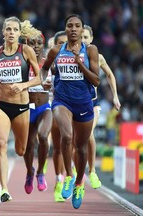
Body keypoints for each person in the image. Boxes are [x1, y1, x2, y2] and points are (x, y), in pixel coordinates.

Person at [0, 16, 41, 202]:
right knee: (1, 144)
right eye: (8, 29)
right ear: (3, 32)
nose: (11, 33)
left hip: (21, 106)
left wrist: (24, 85)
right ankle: (4, 189)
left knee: (21, 150)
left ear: (20, 33)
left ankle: (30, 170)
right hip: (0, 104)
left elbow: (39, 78)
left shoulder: (25, 51)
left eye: (14, 30)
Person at [40, 14, 100, 209]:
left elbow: (96, 80)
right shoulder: (56, 50)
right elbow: (45, 69)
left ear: (82, 30)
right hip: (61, 100)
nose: (73, 29)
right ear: (65, 29)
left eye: (77, 26)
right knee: (67, 137)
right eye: (69, 26)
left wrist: (80, 64)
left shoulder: (90, 50)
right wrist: (45, 81)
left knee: (81, 148)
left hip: (83, 103)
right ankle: (68, 176)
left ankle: (79, 183)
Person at [80, 24, 121, 189]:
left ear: (92, 39)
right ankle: (78, 172)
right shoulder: (71, 56)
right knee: (77, 139)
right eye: (80, 37)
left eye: (86, 37)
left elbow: (110, 75)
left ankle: (93, 171)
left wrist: (115, 97)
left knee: (89, 134)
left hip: (93, 104)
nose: (83, 40)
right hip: (76, 103)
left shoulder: (99, 57)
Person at [20, 22, 52, 194]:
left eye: (39, 43)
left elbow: (60, 83)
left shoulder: (49, 63)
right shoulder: (21, 63)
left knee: (43, 135)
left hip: (44, 108)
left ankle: (40, 171)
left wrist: (52, 87)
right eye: (32, 43)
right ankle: (29, 171)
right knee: (28, 145)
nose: (36, 46)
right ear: (26, 45)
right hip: (26, 109)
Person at [48, 31, 68, 202]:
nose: (62, 46)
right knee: (58, 147)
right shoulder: (49, 62)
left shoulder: (77, 59)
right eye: (59, 43)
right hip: (55, 105)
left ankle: (73, 176)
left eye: (65, 43)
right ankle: (58, 180)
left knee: (73, 145)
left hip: (74, 106)